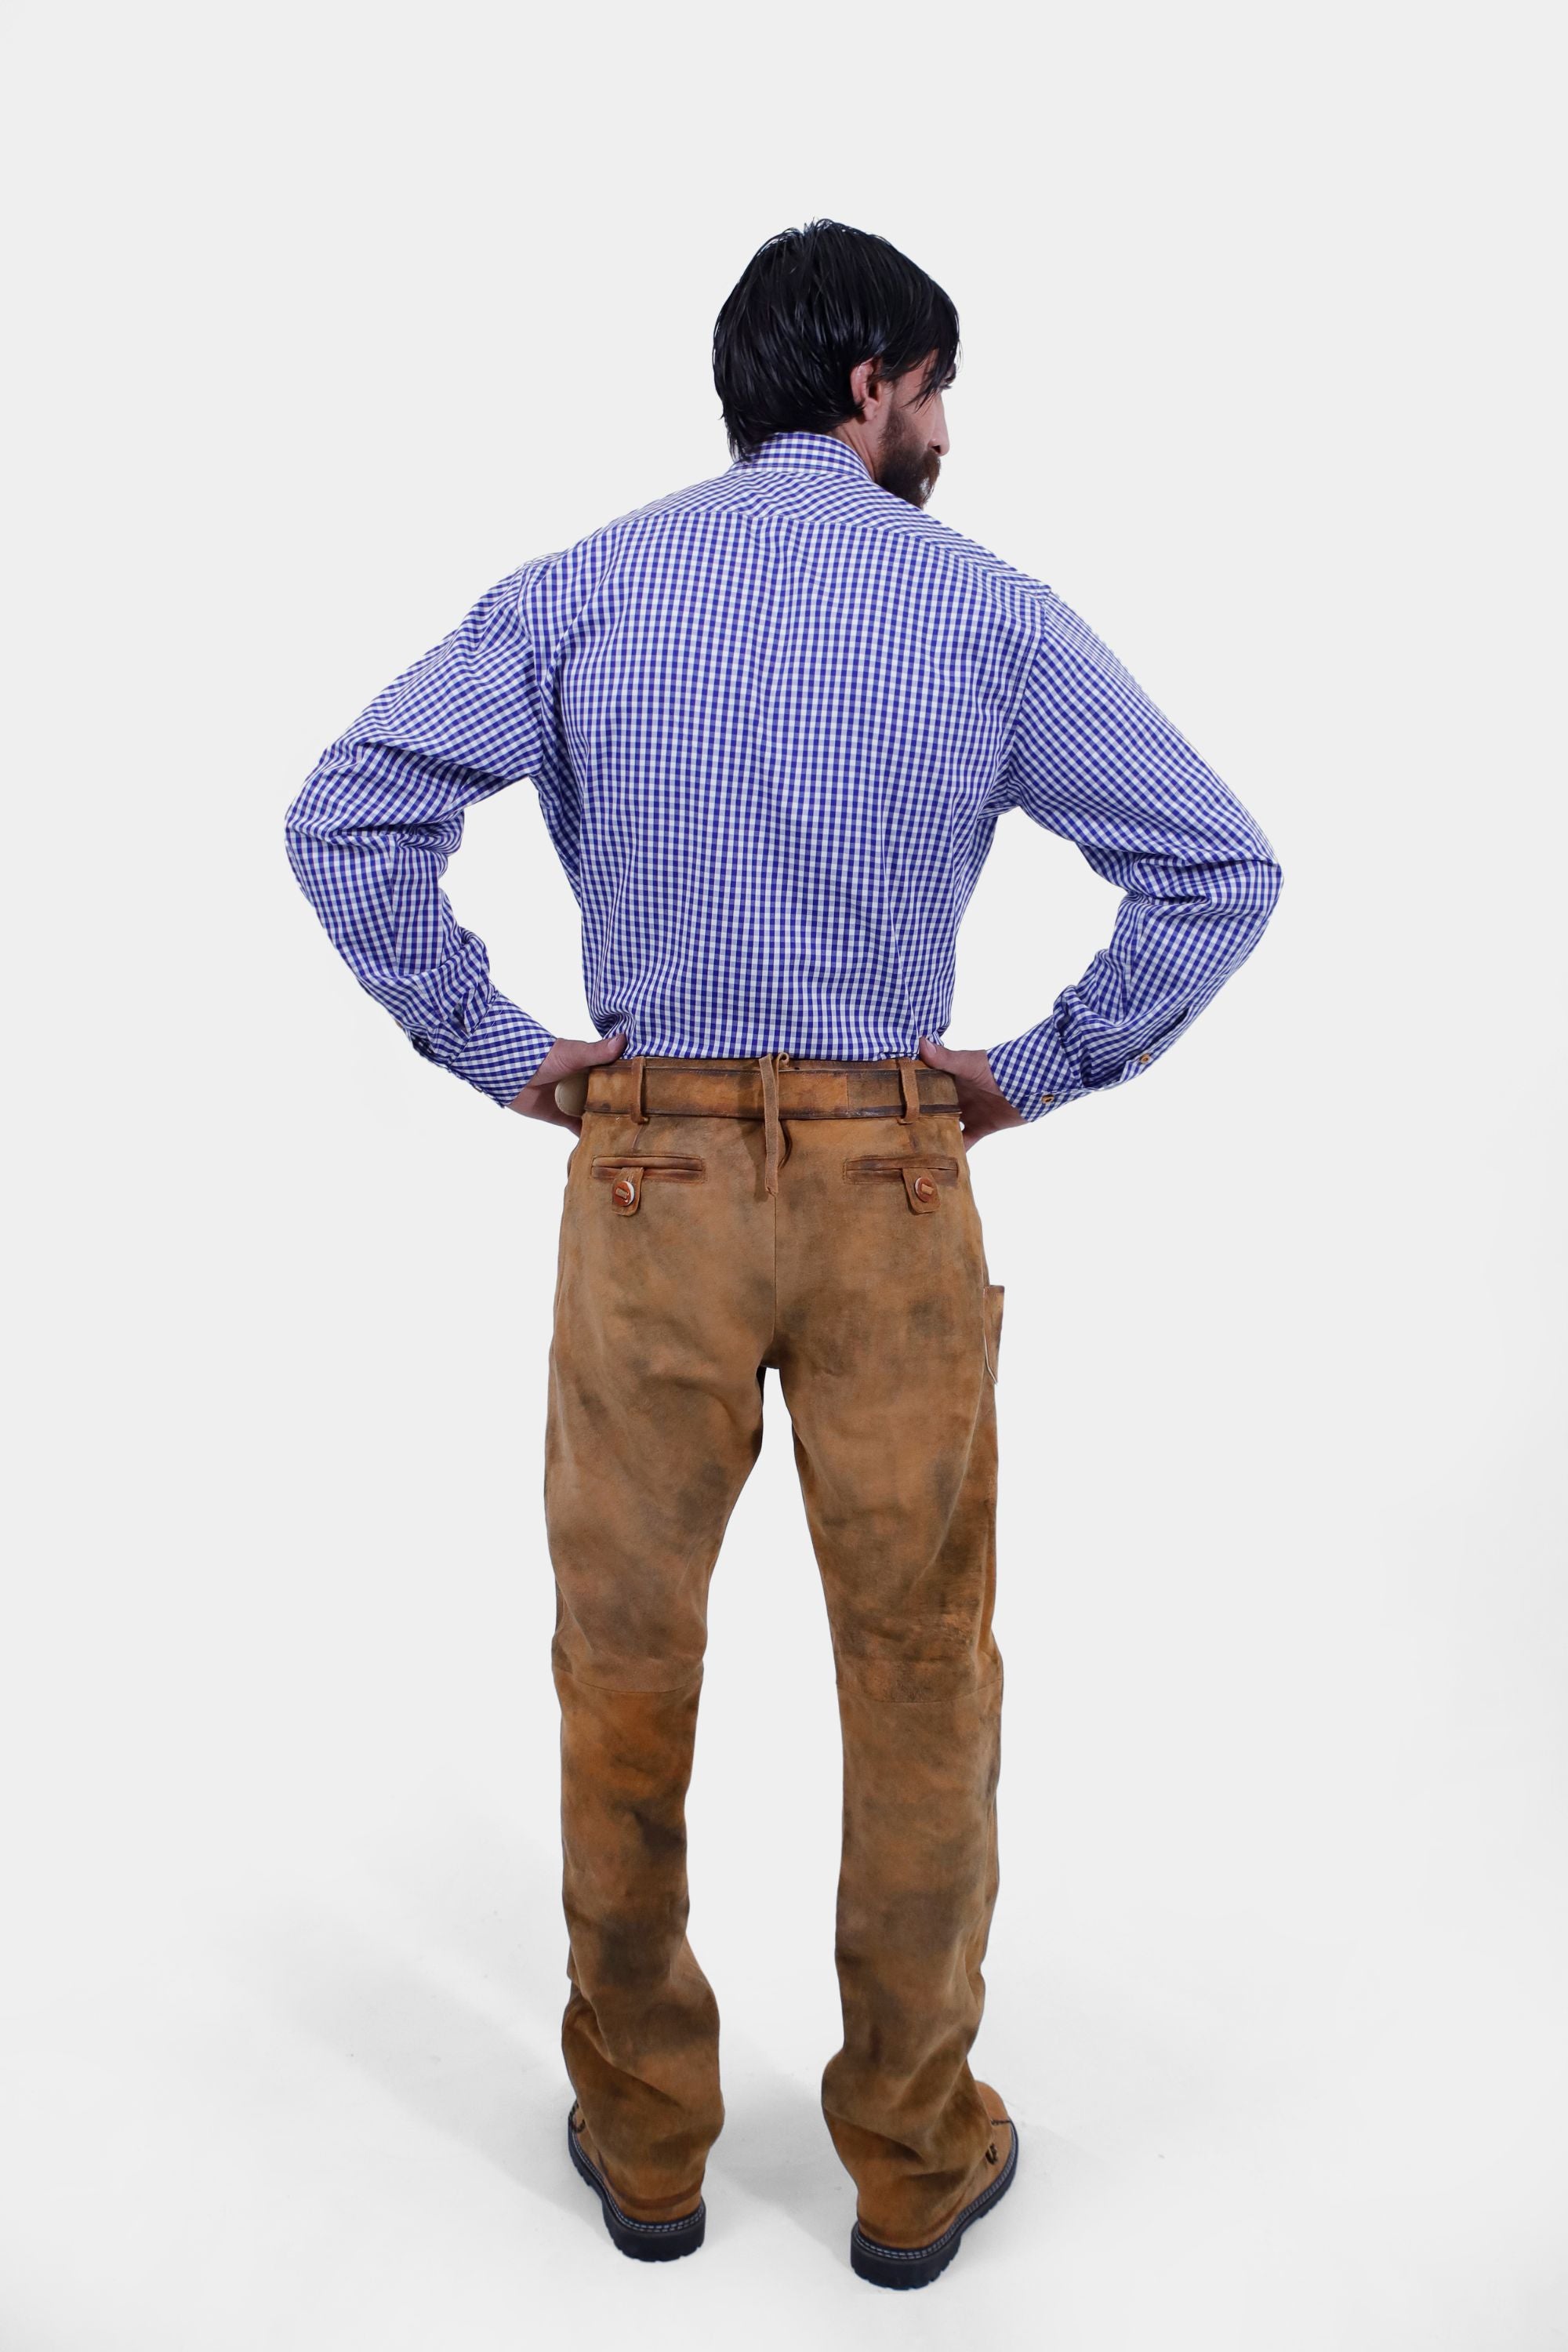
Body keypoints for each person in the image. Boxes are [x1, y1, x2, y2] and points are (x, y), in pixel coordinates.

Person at [285, 217, 1283, 2289]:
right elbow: (1214, 864)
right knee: (920, 1673)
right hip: (889, 1189)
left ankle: (648, 2144)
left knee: (625, 1667)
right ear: (871, 385)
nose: (942, 429)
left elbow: (349, 808)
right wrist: (1026, 1072)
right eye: (936, 390)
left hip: (644, 1193)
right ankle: (913, 2160)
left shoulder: (588, 588)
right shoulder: (984, 612)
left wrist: (496, 1048)